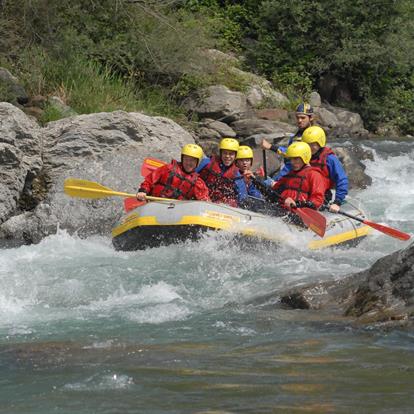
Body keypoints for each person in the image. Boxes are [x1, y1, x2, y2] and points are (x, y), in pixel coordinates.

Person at [260, 102, 315, 181]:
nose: (299, 120)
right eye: (297, 118)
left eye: (303, 118)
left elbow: (292, 153)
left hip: (300, 174)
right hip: (289, 171)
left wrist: (271, 146)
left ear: (311, 118)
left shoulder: (313, 136)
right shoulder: (294, 137)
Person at [136, 144, 209, 201]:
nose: (188, 163)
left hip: (177, 212)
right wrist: (143, 191)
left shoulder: (198, 183)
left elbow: (205, 200)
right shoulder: (168, 169)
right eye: (186, 159)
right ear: (182, 159)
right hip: (155, 203)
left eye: (192, 160)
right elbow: (149, 180)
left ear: (198, 162)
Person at [267, 141, 326, 210]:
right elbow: (274, 191)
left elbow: (317, 199)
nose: (292, 162)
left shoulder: (314, 175)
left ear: (305, 157)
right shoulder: (290, 174)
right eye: (291, 159)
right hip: (282, 209)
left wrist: (297, 204)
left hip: (300, 210)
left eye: (295, 159)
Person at [301, 126, 348, 212]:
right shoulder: (301, 157)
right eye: (307, 144)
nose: (309, 147)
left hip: (321, 197)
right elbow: (287, 171)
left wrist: (337, 202)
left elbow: (342, 179)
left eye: (312, 144)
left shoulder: (330, 159)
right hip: (303, 194)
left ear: (320, 143)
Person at [197, 138, 245, 207]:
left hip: (221, 206)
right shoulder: (207, 162)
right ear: (220, 153)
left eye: (231, 154)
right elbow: (192, 175)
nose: (227, 156)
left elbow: (242, 197)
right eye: (225, 153)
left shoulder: (236, 174)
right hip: (203, 198)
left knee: (232, 202)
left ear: (235, 156)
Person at [234, 145, 264, 209]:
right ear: (236, 162)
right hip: (237, 206)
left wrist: (250, 184)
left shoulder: (254, 177)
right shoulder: (233, 175)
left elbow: (258, 198)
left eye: (247, 160)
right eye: (241, 160)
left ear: (251, 162)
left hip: (249, 207)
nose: (244, 163)